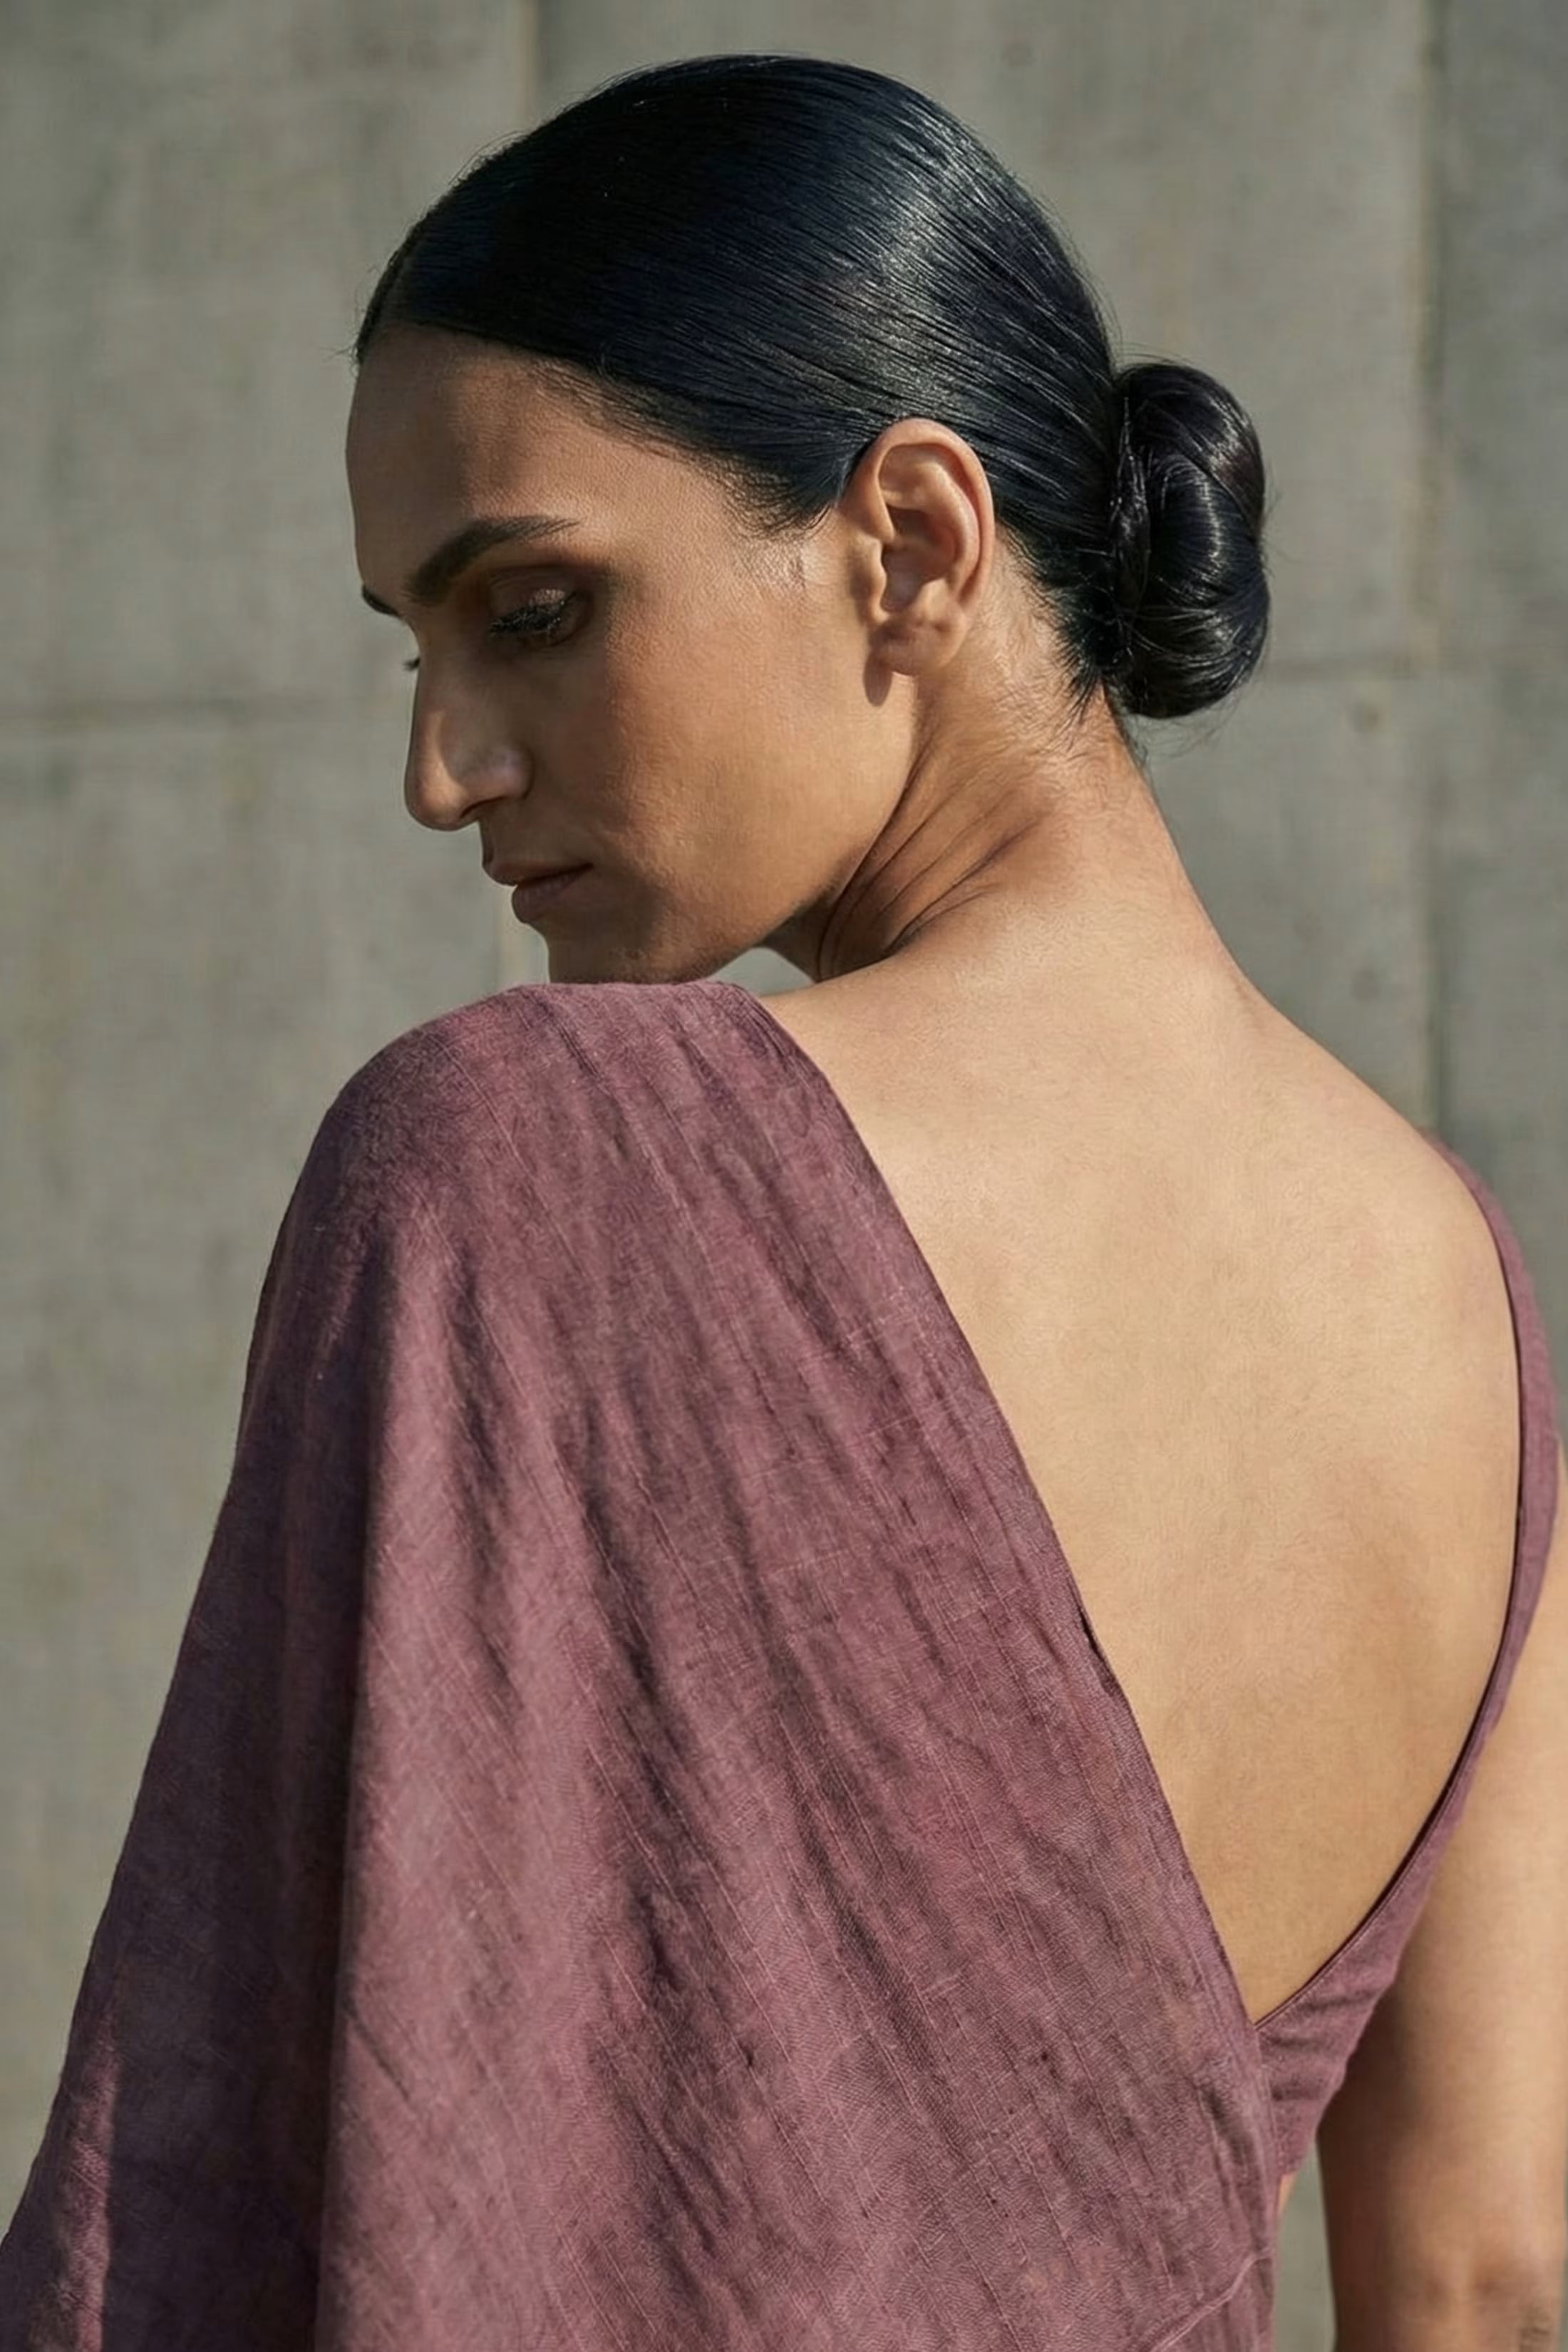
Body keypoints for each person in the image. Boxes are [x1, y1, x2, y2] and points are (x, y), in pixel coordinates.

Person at [3, 50, 1564, 2351]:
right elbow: (1482, 2274)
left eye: (529, 609)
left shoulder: (524, 1160)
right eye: (409, 648)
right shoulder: (1473, 1308)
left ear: (914, 542)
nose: (442, 769)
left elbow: (208, 2206)